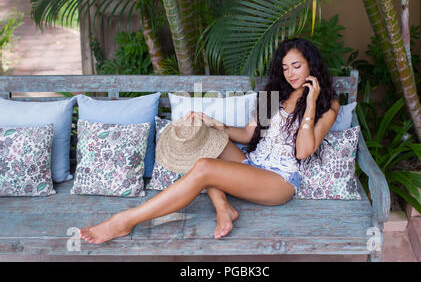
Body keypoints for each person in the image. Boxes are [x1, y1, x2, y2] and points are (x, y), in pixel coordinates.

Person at [80, 38, 341, 244]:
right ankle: (222, 206)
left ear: (311, 65)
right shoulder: (275, 94)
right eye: (285, 68)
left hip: (280, 181)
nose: (290, 73)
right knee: (204, 139)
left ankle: (125, 220)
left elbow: (305, 150)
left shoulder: (328, 105)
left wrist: (309, 103)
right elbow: (250, 135)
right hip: (254, 164)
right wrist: (214, 123)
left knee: (205, 168)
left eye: (296, 66)